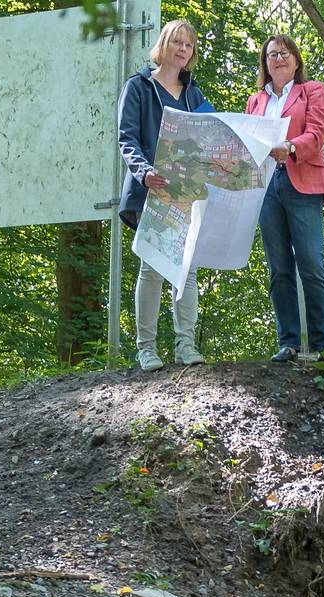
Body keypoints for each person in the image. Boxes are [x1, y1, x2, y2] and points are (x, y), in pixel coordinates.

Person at [244, 36, 324, 370]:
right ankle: (288, 343)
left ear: (295, 59)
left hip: (301, 179)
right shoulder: (255, 101)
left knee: (311, 263)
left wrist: (291, 147)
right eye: (271, 55)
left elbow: (318, 130)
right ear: (265, 63)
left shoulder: (312, 90)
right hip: (266, 185)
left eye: (284, 53)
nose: (277, 59)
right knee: (279, 268)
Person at [116, 18, 212, 371]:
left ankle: (186, 346)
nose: (183, 50)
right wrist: (145, 173)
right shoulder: (138, 87)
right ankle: (146, 348)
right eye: (178, 42)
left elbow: (208, 136)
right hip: (151, 189)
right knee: (153, 267)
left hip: (186, 192)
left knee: (187, 270)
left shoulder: (194, 93)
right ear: (164, 45)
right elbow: (126, 138)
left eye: (189, 45)